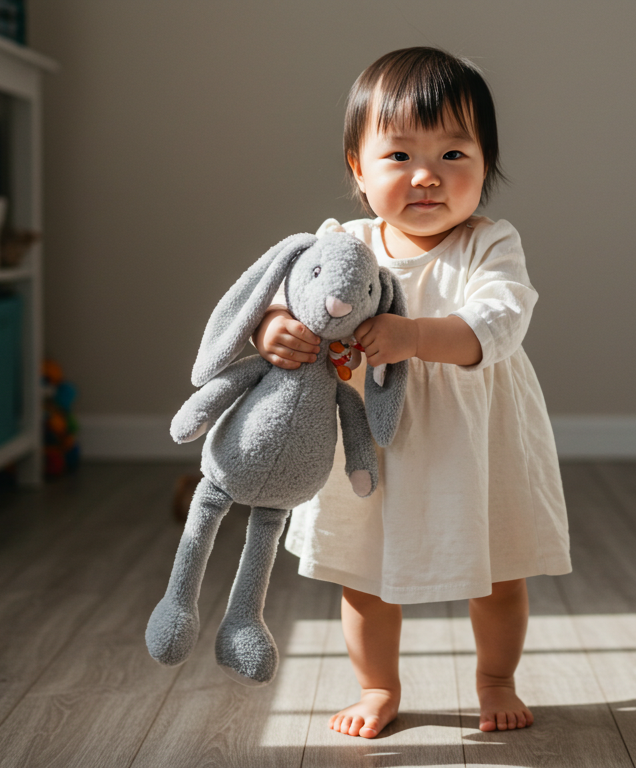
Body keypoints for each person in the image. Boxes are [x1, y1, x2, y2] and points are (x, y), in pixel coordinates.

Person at [253, 47, 569, 738]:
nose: (427, 176)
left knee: (499, 569)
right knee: (362, 572)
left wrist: (416, 336)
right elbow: (288, 300)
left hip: (476, 442)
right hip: (373, 441)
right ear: (358, 170)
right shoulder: (344, 243)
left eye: (455, 153)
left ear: (486, 164)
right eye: (399, 156)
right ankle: (376, 686)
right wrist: (275, 330)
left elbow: (502, 318)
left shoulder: (490, 244)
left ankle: (495, 677)